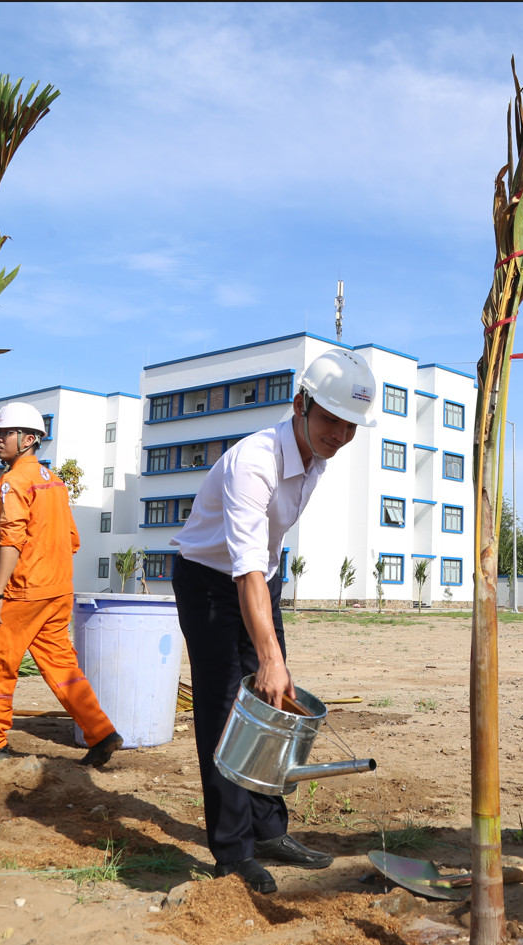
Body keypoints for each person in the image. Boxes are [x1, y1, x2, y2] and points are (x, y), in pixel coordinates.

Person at [171, 349, 377, 893]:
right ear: (300, 404)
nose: (338, 433)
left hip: (262, 578)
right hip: (211, 581)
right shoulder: (253, 461)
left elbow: (266, 555)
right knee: (224, 710)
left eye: (349, 424)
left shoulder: (318, 458)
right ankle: (232, 854)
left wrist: (273, 658)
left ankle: (267, 829)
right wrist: (268, 655)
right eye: (330, 418)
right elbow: (242, 566)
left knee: (275, 705)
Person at [0, 401, 122, 766]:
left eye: (4, 433)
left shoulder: (13, 481)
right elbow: (72, 539)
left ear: (27, 439)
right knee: (61, 666)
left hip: (23, 591)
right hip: (57, 591)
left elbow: (11, 539)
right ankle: (101, 732)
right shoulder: (54, 482)